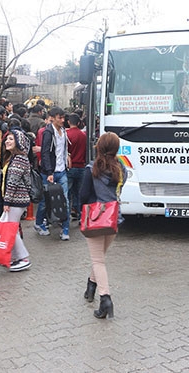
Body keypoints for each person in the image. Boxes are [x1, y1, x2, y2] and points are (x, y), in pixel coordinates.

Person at [79, 132, 124, 319]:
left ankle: (105, 298)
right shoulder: (122, 169)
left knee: (98, 260)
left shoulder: (92, 168)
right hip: (114, 219)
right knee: (99, 258)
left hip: (96, 219)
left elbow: (82, 196)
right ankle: (91, 286)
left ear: (99, 146)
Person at [0, 128, 32, 272]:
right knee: (12, 229)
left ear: (19, 142)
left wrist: (7, 202)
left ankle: (23, 258)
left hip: (16, 201)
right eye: (7, 139)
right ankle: (15, 257)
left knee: (11, 229)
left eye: (11, 139)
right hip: (14, 200)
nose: (7, 141)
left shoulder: (20, 159)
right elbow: (6, 181)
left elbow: (13, 183)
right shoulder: (13, 159)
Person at [36, 107, 71, 241]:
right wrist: (49, 171)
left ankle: (65, 228)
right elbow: (45, 152)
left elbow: (63, 149)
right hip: (49, 172)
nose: (62, 120)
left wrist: (67, 156)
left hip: (62, 171)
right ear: (52, 117)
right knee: (45, 201)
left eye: (63, 118)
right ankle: (39, 223)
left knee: (65, 200)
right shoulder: (48, 132)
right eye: (59, 118)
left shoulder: (63, 131)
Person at [66, 113, 87, 220]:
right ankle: (80, 215)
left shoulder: (66, 134)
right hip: (81, 167)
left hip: (69, 167)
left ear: (68, 122)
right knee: (79, 192)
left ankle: (67, 215)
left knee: (68, 193)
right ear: (79, 123)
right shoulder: (84, 135)